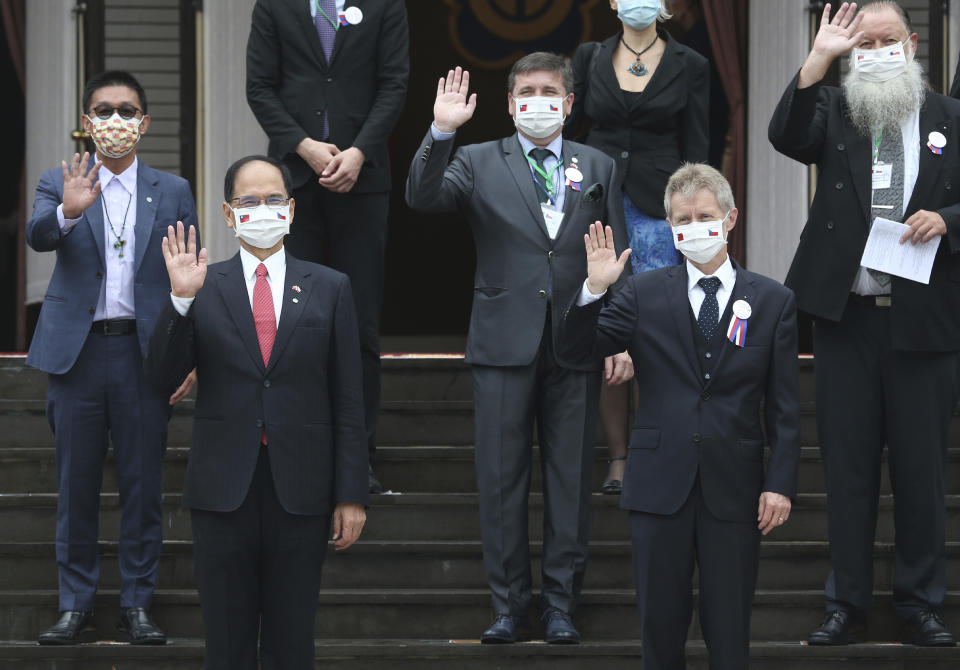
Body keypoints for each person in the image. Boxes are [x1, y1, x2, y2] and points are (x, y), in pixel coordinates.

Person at [405, 54, 630, 644]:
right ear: (509, 104)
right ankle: (508, 606)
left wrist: (617, 335)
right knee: (501, 479)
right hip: (504, 340)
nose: (537, 100)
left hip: (578, 338)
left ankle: (560, 606)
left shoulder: (598, 163)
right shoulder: (479, 160)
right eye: (525, 91)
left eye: (548, 91)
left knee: (570, 481)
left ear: (569, 102)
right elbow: (423, 198)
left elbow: (618, 261)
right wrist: (442, 131)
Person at [769, 1, 960, 647]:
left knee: (920, 474)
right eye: (864, 44)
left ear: (912, 44)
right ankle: (844, 603)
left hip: (923, 324)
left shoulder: (949, 117)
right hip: (846, 319)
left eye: (887, 40)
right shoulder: (835, 110)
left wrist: (949, 221)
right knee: (848, 472)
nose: (877, 50)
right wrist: (818, 59)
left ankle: (919, 603)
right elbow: (784, 136)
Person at [558, 163, 799, 670]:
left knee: (729, 633)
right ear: (670, 227)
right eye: (682, 219)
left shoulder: (774, 301)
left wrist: (780, 484)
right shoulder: (643, 294)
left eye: (704, 215)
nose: (694, 227)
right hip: (657, 487)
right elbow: (576, 352)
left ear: (730, 219)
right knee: (660, 632)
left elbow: (784, 407)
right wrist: (594, 292)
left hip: (733, 489)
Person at [144, 155, 369, 669]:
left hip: (302, 489)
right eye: (249, 201)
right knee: (227, 642)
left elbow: (348, 399)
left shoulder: (330, 287)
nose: (261, 210)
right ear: (228, 214)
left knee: (293, 642)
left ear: (290, 210)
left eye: (273, 200)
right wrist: (180, 300)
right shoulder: (203, 284)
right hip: (224, 490)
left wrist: (351, 494)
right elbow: (159, 378)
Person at [27, 70, 198, 645]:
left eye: (127, 110)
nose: (115, 121)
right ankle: (75, 605)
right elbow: (37, 236)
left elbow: (188, 275)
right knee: (75, 487)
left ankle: (137, 604)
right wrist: (69, 212)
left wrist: (189, 350)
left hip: (144, 355)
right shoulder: (60, 180)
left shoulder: (172, 190)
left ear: (144, 124)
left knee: (143, 486)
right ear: (86, 122)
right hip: (77, 356)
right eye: (104, 110)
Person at [246, 0, 410, 494]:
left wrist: (358, 150)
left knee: (357, 322)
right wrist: (304, 145)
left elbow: (394, 84)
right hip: (294, 180)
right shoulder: (274, 6)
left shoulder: (385, 5)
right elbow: (259, 87)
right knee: (297, 320)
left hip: (363, 177)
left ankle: (359, 455)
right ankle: (302, 449)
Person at [566, 0, 708, 494]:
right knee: (606, 328)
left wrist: (692, 222)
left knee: (655, 330)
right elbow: (568, 129)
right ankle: (618, 458)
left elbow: (698, 149)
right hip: (596, 202)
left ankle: (654, 450)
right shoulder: (588, 56)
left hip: (659, 214)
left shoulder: (691, 64)